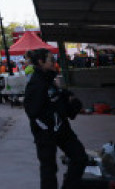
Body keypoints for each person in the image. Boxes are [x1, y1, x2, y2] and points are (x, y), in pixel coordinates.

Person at [24, 48, 87, 189]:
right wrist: (47, 129)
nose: (54, 62)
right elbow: (32, 112)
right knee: (49, 169)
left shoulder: (51, 79)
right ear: (41, 62)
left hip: (62, 129)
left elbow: (61, 105)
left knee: (80, 157)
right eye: (51, 59)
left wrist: (72, 101)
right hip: (45, 134)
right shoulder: (36, 84)